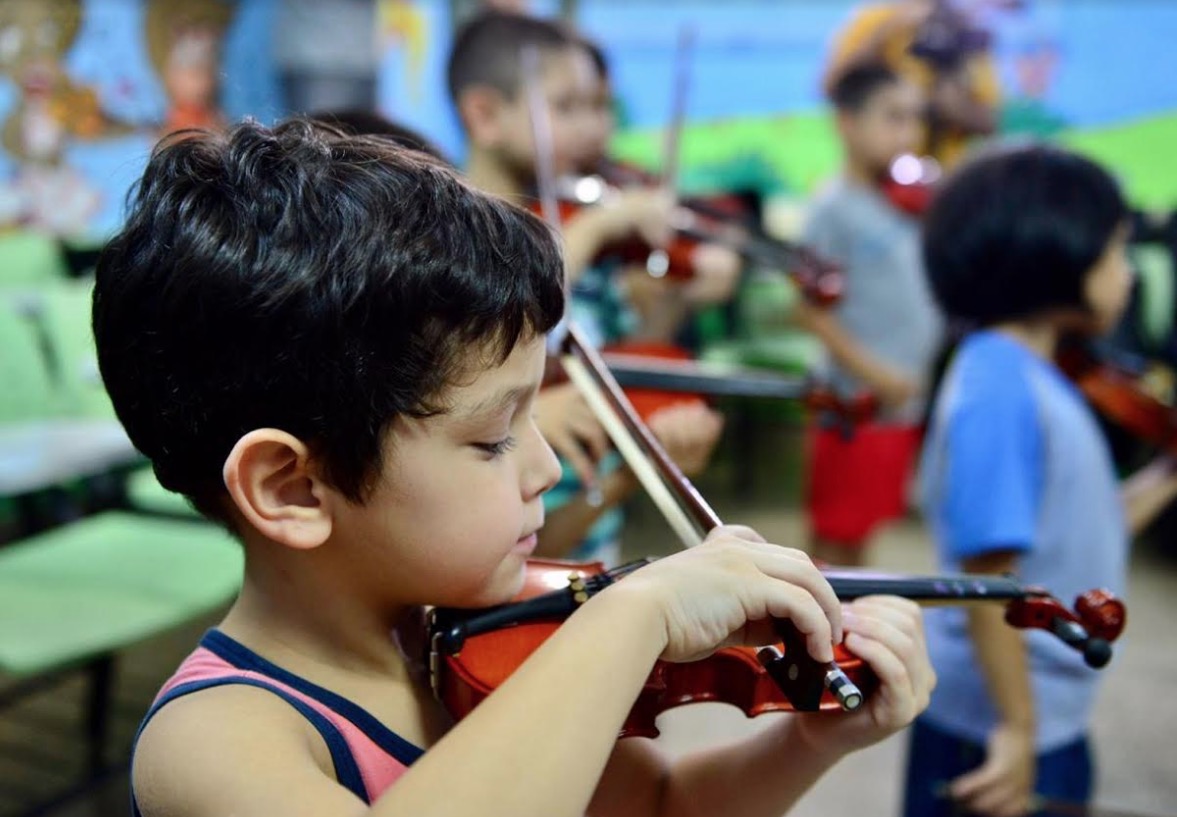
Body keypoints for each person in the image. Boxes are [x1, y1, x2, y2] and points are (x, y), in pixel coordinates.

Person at [96, 118, 934, 817]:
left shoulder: (470, 637)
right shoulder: (212, 741)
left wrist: (806, 743)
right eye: (494, 437)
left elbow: (661, 804)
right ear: (293, 488)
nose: (545, 464)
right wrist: (630, 618)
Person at [906, 144, 1177, 817]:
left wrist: (1166, 474)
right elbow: (990, 575)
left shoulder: (1026, 371)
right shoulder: (999, 386)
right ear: (1051, 253)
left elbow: (1084, 527)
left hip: (1040, 707)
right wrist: (1017, 729)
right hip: (993, 725)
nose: (1126, 273)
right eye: (1114, 251)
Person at [446, 10, 725, 562]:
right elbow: (507, 315)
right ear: (485, 115)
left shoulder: (582, 238)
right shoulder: (452, 238)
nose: (595, 129)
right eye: (567, 106)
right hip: (493, 554)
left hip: (587, 536)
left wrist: (676, 298)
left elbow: (610, 356)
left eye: (600, 107)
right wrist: (597, 227)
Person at [795, 63, 943, 568]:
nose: (910, 134)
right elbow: (809, 311)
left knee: (863, 530)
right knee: (834, 535)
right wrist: (878, 375)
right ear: (847, 123)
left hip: (896, 403)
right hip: (855, 402)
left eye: (915, 119)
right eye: (893, 118)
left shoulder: (903, 200)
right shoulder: (832, 209)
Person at [823, 0, 1000, 168]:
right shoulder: (876, 20)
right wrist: (888, 29)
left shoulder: (961, 29)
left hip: (945, 169)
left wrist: (954, 104)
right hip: (879, 172)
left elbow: (991, 121)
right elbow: (833, 86)